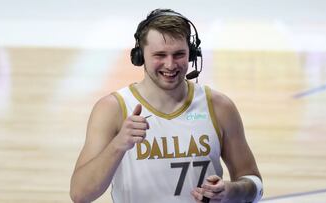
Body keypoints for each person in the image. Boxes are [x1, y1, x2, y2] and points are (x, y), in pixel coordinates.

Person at [70, 8, 263, 203]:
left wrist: (230, 191)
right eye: (160, 55)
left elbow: (255, 186)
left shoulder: (219, 106)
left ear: (191, 54)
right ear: (139, 55)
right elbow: (80, 194)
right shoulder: (113, 109)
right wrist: (118, 144)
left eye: (179, 54)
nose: (170, 65)